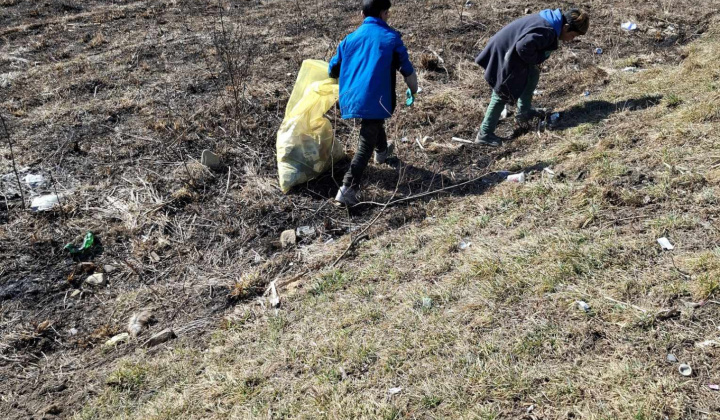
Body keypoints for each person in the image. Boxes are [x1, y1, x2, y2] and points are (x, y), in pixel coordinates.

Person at [329, 0, 418, 207]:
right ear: (384, 13)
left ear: (362, 14)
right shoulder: (391, 38)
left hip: (351, 98)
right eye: (388, 13)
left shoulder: (348, 39)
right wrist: (413, 89)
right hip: (377, 98)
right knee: (365, 142)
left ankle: (382, 153)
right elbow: (407, 70)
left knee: (374, 124)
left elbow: (332, 69)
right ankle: (347, 189)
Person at [474, 8, 590, 147]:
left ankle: (524, 112)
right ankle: (485, 134)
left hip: (511, 50)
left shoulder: (551, 22)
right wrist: (539, 57)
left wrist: (535, 61)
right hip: (506, 52)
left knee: (532, 74)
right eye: (573, 35)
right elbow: (523, 47)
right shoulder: (548, 31)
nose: (572, 39)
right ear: (566, 27)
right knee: (502, 92)